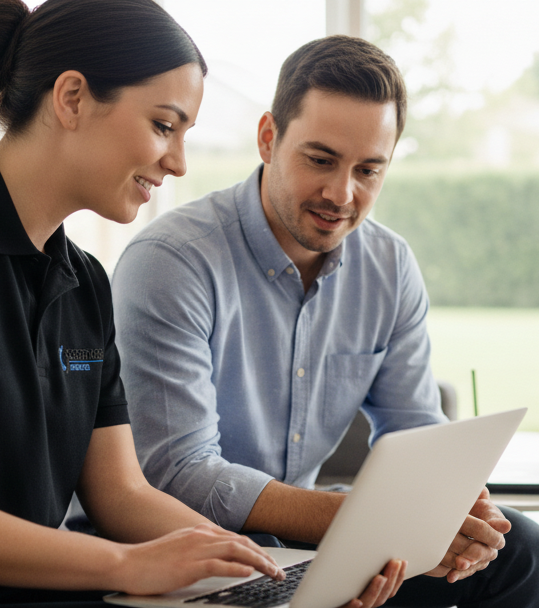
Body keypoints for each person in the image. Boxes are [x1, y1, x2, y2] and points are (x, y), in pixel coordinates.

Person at [0, 1, 301, 606]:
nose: (179, 162)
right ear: (72, 98)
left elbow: (121, 495)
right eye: (165, 125)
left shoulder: (85, 283)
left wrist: (263, 568)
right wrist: (125, 565)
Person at [110, 35, 539, 607]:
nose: (342, 193)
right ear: (269, 138)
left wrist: (452, 510)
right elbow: (179, 472)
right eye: (321, 160)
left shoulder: (388, 265)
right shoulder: (172, 262)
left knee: (521, 548)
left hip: (317, 542)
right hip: (190, 545)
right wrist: (352, 519)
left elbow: (416, 433)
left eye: (369, 170)